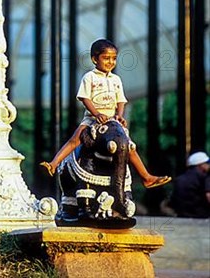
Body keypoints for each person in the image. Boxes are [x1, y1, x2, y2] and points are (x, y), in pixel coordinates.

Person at [40, 39, 171, 189]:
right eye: (106, 58)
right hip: (92, 120)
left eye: (114, 58)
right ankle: (53, 164)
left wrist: (120, 115)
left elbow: (120, 100)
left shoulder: (116, 79)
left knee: (129, 146)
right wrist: (96, 114)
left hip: (111, 121)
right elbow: (84, 97)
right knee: (75, 140)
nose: (110, 62)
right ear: (95, 59)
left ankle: (146, 176)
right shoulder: (89, 77)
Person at [169, 151, 210, 218]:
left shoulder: (179, 179)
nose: (209, 165)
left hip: (182, 216)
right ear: (200, 164)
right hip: (202, 217)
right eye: (208, 162)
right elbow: (208, 196)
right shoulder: (205, 177)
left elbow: (173, 200)